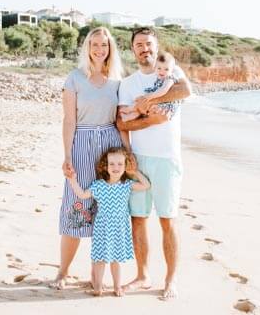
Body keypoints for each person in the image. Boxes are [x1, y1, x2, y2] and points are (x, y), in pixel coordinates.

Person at [116, 27, 192, 300]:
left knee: (168, 220)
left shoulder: (173, 73)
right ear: (133, 49)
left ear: (156, 47)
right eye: (139, 45)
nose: (144, 49)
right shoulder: (127, 84)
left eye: (149, 44)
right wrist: (129, 153)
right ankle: (143, 275)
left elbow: (185, 91)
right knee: (138, 219)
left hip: (167, 158)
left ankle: (170, 280)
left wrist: (150, 99)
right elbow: (121, 122)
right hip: (139, 157)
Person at [51, 26, 127, 290]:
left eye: (104, 45)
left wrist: (128, 154)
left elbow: (122, 120)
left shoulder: (118, 80)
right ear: (87, 47)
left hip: (110, 148)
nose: (99, 49)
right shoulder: (74, 78)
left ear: (110, 49)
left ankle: (99, 277)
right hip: (82, 144)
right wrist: (67, 155)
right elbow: (69, 119)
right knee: (76, 205)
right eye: (94, 44)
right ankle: (63, 272)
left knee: (108, 211)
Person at [67, 147, 150, 296]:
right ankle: (97, 287)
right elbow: (82, 194)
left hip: (119, 228)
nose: (116, 167)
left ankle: (117, 286)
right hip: (102, 227)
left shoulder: (126, 185)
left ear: (125, 166)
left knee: (115, 259)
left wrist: (135, 171)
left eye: (120, 164)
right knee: (100, 258)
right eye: (112, 164)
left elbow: (146, 185)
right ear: (105, 166)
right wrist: (72, 180)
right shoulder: (99, 185)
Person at [119, 51, 180, 121]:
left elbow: (163, 90)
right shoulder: (159, 78)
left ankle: (131, 109)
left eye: (166, 69)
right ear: (155, 68)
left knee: (145, 102)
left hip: (165, 106)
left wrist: (149, 96)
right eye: (159, 68)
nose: (162, 71)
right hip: (159, 102)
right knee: (143, 103)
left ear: (172, 70)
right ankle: (129, 116)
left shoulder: (170, 78)